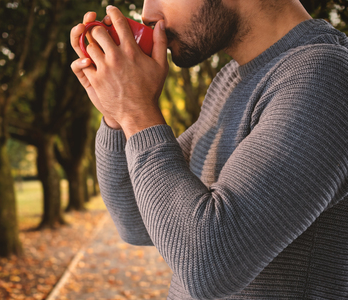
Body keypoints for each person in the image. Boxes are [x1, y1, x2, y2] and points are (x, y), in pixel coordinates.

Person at [70, 0, 348, 299]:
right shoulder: (232, 79)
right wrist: (117, 112)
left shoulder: (326, 76)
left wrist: (136, 112)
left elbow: (209, 267)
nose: (148, 14)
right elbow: (137, 220)